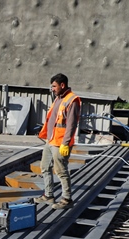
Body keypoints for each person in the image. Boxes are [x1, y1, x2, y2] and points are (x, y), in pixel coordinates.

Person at [34, 73, 81, 210]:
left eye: (54, 86)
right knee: (45, 166)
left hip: (60, 143)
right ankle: (49, 195)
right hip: (51, 141)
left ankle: (67, 199)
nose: (52, 89)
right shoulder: (58, 98)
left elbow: (71, 125)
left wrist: (65, 144)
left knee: (60, 170)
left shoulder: (72, 100)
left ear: (62, 85)